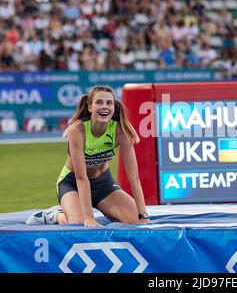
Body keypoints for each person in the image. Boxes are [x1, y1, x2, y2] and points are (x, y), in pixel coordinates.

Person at [26, 85, 150, 227]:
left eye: (109, 103)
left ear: (114, 108)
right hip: (72, 183)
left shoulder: (120, 131)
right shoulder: (77, 130)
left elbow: (134, 178)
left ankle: (110, 213)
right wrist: (89, 218)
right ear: (90, 107)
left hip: (104, 184)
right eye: (99, 102)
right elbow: (81, 178)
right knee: (78, 225)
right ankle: (56, 215)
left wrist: (143, 214)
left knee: (136, 222)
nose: (104, 106)